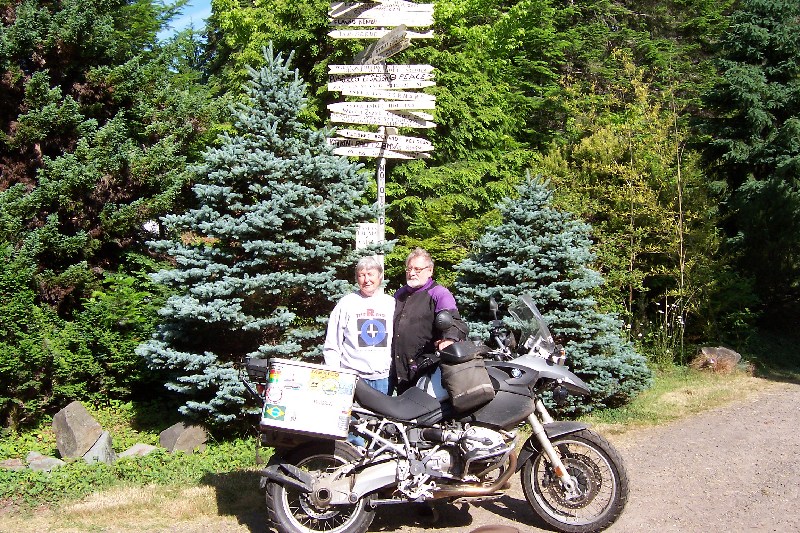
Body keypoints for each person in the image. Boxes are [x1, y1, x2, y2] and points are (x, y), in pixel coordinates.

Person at [391, 247, 468, 394]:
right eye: (409, 269)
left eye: (417, 269)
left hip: (426, 371)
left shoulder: (439, 294)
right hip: (400, 371)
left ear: (430, 271)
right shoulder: (400, 294)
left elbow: (454, 322)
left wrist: (449, 339)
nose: (412, 273)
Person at [323, 255, 394, 394]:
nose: (367, 280)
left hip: (384, 379)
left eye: (370, 274)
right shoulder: (346, 303)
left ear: (380, 276)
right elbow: (332, 343)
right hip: (352, 378)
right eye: (362, 275)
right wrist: (335, 375)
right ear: (357, 279)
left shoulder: (391, 303)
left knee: (381, 416)